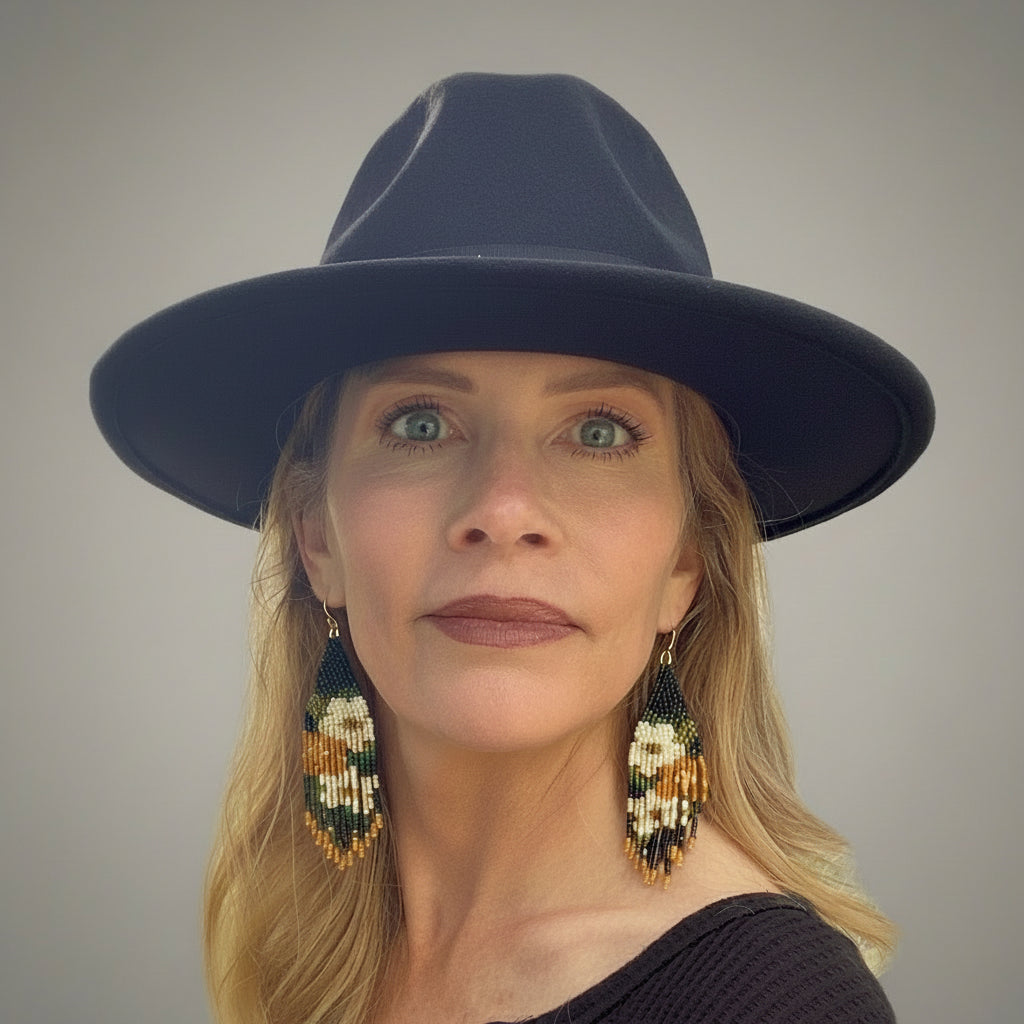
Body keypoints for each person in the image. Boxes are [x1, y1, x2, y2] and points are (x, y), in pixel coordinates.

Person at [91, 73, 933, 1024]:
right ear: (315, 535)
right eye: (419, 423)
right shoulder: (310, 957)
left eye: (601, 432)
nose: (503, 508)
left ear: (687, 563)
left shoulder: (772, 1007)